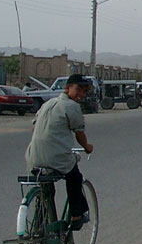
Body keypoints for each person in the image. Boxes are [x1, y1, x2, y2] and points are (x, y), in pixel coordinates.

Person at [24, 73, 95, 230]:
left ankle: (39, 226)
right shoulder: (72, 107)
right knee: (75, 177)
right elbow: (79, 134)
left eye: (84, 91)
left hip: (33, 157)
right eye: (79, 89)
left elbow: (35, 127)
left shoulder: (48, 103)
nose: (81, 95)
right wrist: (87, 147)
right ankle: (76, 215)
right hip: (55, 158)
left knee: (47, 188)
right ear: (67, 88)